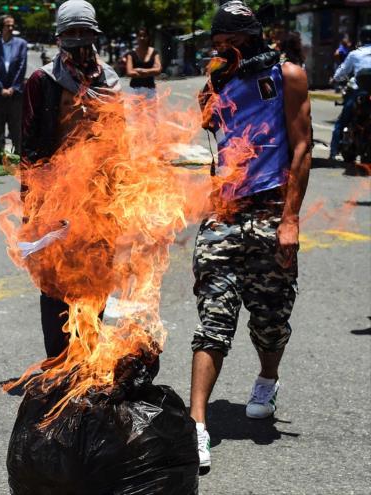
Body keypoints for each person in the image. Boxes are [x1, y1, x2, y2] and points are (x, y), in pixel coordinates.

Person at [192, 0, 312, 473]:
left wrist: (290, 220)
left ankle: (267, 377)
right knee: (213, 318)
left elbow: (302, 148)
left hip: (270, 208)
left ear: (254, 37)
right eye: (218, 45)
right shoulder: (217, 79)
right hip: (223, 212)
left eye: (232, 43)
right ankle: (197, 425)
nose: (224, 52)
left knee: (270, 318)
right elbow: (216, 138)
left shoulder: (289, 76)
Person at [21, 0, 121, 359]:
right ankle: (59, 361)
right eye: (71, 34)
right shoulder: (42, 81)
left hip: (100, 199)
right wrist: (32, 209)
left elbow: (120, 142)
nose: (78, 41)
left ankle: (89, 356)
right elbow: (30, 149)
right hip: (57, 201)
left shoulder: (109, 80)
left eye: (84, 33)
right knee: (56, 284)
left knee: (97, 279)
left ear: (95, 36)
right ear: (59, 38)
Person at [329, 25, 371, 161]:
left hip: (359, 93)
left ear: (361, 38)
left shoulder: (355, 54)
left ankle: (333, 152)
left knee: (341, 122)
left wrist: (334, 79)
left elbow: (341, 73)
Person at [0, 15, 28, 153]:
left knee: (16, 127)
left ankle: (18, 156)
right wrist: (0, 88)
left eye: (12, 26)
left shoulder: (21, 44)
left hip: (15, 95)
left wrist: (13, 88)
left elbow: (22, 67)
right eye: (7, 25)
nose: (10, 28)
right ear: (1, 27)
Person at [124, 27, 162, 100]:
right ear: (137, 37)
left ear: (148, 37)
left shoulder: (154, 52)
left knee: (151, 111)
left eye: (144, 36)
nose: (142, 38)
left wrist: (140, 70)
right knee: (135, 111)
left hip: (150, 90)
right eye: (140, 36)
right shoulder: (131, 54)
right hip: (135, 90)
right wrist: (150, 72)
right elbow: (129, 72)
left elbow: (158, 70)